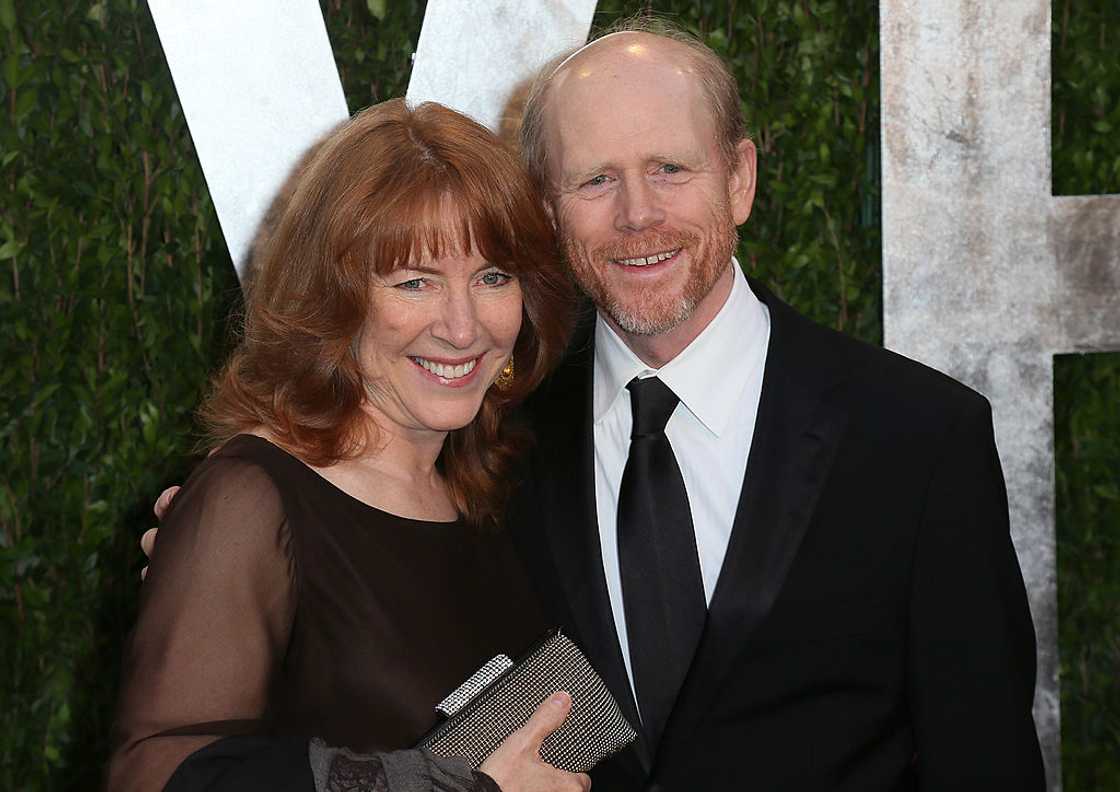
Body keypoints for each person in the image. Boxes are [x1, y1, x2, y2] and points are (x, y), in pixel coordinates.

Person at [148, 19, 1048, 791]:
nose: (637, 215)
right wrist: (241, 558)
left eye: (670, 168)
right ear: (547, 209)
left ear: (739, 178)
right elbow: (487, 712)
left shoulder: (919, 441)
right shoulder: (494, 442)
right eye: (594, 181)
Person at [110, 99, 593, 792]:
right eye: (414, 282)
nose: (462, 328)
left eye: (492, 277)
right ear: (335, 301)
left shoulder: (488, 485)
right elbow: (153, 775)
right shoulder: (251, 498)